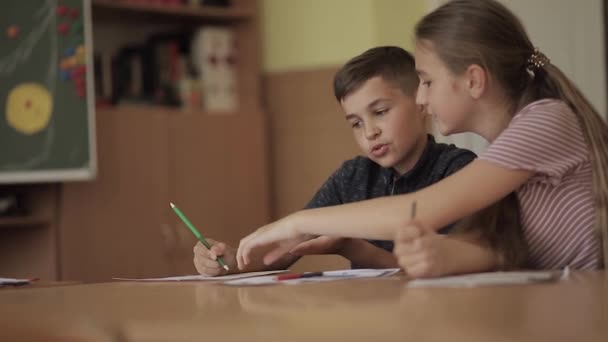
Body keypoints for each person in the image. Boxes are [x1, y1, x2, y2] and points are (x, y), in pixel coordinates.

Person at [235, 0, 607, 277]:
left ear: (473, 80)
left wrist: (299, 221)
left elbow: (418, 209)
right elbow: (511, 252)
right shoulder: (515, 145)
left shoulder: (545, 121)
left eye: (427, 81)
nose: (423, 98)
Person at [193, 46, 478, 276]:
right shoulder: (352, 176)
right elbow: (287, 248)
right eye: (355, 123)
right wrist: (230, 261)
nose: (369, 132)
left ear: (421, 102)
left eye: (380, 111)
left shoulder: (458, 170)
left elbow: (447, 267)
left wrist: (355, 250)